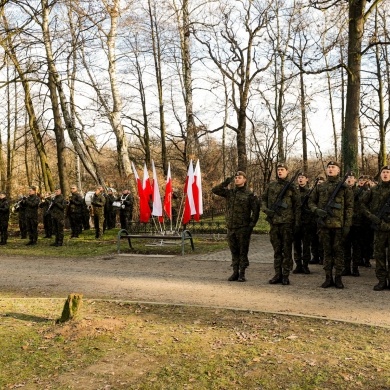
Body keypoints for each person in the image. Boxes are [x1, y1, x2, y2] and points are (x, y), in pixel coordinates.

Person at [308, 161, 353, 289]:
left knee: (338, 253)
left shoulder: (344, 188)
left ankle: (338, 278)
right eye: (329, 167)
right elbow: (311, 202)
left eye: (333, 167)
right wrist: (317, 210)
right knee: (326, 253)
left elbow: (349, 208)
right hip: (324, 226)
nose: (331, 169)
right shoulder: (320, 187)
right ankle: (328, 278)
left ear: (338, 171)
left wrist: (347, 225)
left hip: (339, 226)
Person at [212, 171, 260, 282]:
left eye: (239, 177)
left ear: (245, 180)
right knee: (234, 251)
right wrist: (227, 181)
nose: (237, 179)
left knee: (243, 251)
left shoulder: (250, 194)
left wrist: (251, 225)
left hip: (243, 227)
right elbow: (215, 190)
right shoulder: (230, 193)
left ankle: (242, 273)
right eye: (236, 178)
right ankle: (235, 272)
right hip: (231, 227)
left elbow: (256, 211)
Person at [261, 163, 301, 285]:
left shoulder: (292, 187)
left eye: (282, 170)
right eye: (278, 170)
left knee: (287, 250)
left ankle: (285, 275)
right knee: (277, 250)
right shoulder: (271, 186)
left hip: (287, 223)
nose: (280, 172)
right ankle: (277, 274)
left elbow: (297, 206)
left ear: (287, 172)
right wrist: (267, 211)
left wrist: (297, 223)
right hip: (274, 223)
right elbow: (263, 200)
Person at [361, 165, 390, 291]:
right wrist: (372, 217)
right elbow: (362, 204)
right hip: (378, 228)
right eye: (383, 172)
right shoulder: (374, 190)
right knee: (379, 255)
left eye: (388, 172)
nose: (385, 174)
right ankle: (382, 281)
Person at [293, 172, 315, 274]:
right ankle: (298, 265)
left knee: (306, 245)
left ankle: (305, 265)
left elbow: (313, 206)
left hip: (306, 223)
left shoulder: (311, 192)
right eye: (299, 177)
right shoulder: (294, 191)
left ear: (307, 179)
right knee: (296, 245)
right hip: (296, 221)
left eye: (302, 177)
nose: (300, 179)